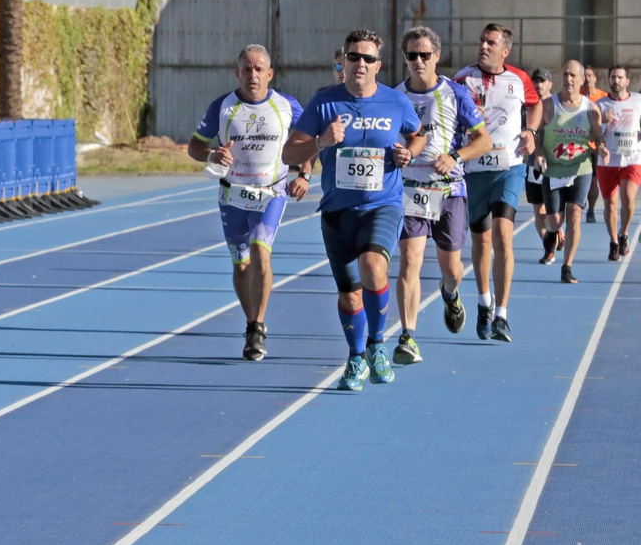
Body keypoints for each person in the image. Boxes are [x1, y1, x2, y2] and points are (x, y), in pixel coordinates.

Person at [283, 29, 421, 392]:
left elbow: (418, 133)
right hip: (338, 210)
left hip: (382, 205)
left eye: (368, 58)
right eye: (353, 57)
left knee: (374, 266)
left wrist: (410, 152)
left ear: (379, 64)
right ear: (343, 61)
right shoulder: (324, 103)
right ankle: (356, 356)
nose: (360, 64)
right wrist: (320, 142)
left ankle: (377, 346)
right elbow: (288, 153)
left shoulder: (395, 102)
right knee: (349, 293)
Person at [187, 44, 309, 361]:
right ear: (237, 73)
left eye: (259, 69)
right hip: (233, 195)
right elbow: (194, 147)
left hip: (272, 192)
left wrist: (304, 174)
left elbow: (311, 141)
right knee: (241, 265)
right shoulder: (223, 107)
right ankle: (250, 317)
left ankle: (257, 326)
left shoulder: (287, 106)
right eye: (247, 69)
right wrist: (213, 154)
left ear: (270, 74)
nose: (252, 75)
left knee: (261, 253)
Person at [391, 26, 493, 365]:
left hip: (448, 190)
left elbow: (484, 141)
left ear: (437, 56)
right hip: (410, 190)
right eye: (411, 55)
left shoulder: (455, 94)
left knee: (452, 268)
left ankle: (450, 293)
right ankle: (408, 337)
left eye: (424, 55)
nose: (417, 61)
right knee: (410, 262)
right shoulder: (393, 96)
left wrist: (456, 156)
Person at [454, 23, 540, 343]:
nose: (483, 46)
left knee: (504, 233)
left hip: (510, 166)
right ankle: (483, 302)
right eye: (481, 41)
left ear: (505, 50)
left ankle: (502, 315)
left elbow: (536, 103)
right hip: (475, 170)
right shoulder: (462, 79)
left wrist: (530, 131)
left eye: (490, 42)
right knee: (481, 241)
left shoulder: (519, 79)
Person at [536, 60, 606, 283]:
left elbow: (598, 135)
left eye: (573, 75)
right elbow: (537, 136)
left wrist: (602, 146)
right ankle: (553, 234)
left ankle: (567, 266)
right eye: (565, 74)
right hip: (553, 170)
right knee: (555, 221)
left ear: (582, 79)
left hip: (580, 168)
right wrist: (538, 153)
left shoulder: (590, 109)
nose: (568, 79)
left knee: (575, 213)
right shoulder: (548, 105)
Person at [596, 64, 641, 259]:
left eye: (620, 77)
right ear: (609, 80)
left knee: (628, 198)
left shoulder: (638, 101)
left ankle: (624, 233)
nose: (616, 81)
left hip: (632, 158)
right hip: (608, 161)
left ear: (627, 81)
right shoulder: (600, 104)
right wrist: (603, 121)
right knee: (610, 205)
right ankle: (614, 240)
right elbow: (592, 132)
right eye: (613, 77)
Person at [524, 68, 553, 244]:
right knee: (538, 209)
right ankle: (548, 246)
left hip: (554, 164)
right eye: (536, 81)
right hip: (533, 164)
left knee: (553, 209)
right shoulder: (525, 106)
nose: (538, 84)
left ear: (550, 84)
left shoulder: (557, 105)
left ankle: (555, 231)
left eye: (542, 81)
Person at [584, 66, 609, 221]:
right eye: (584, 76)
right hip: (579, 145)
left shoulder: (603, 98)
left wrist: (607, 118)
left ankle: (591, 210)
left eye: (589, 75)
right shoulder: (577, 98)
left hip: (595, 147)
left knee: (593, 181)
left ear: (595, 78)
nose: (587, 79)